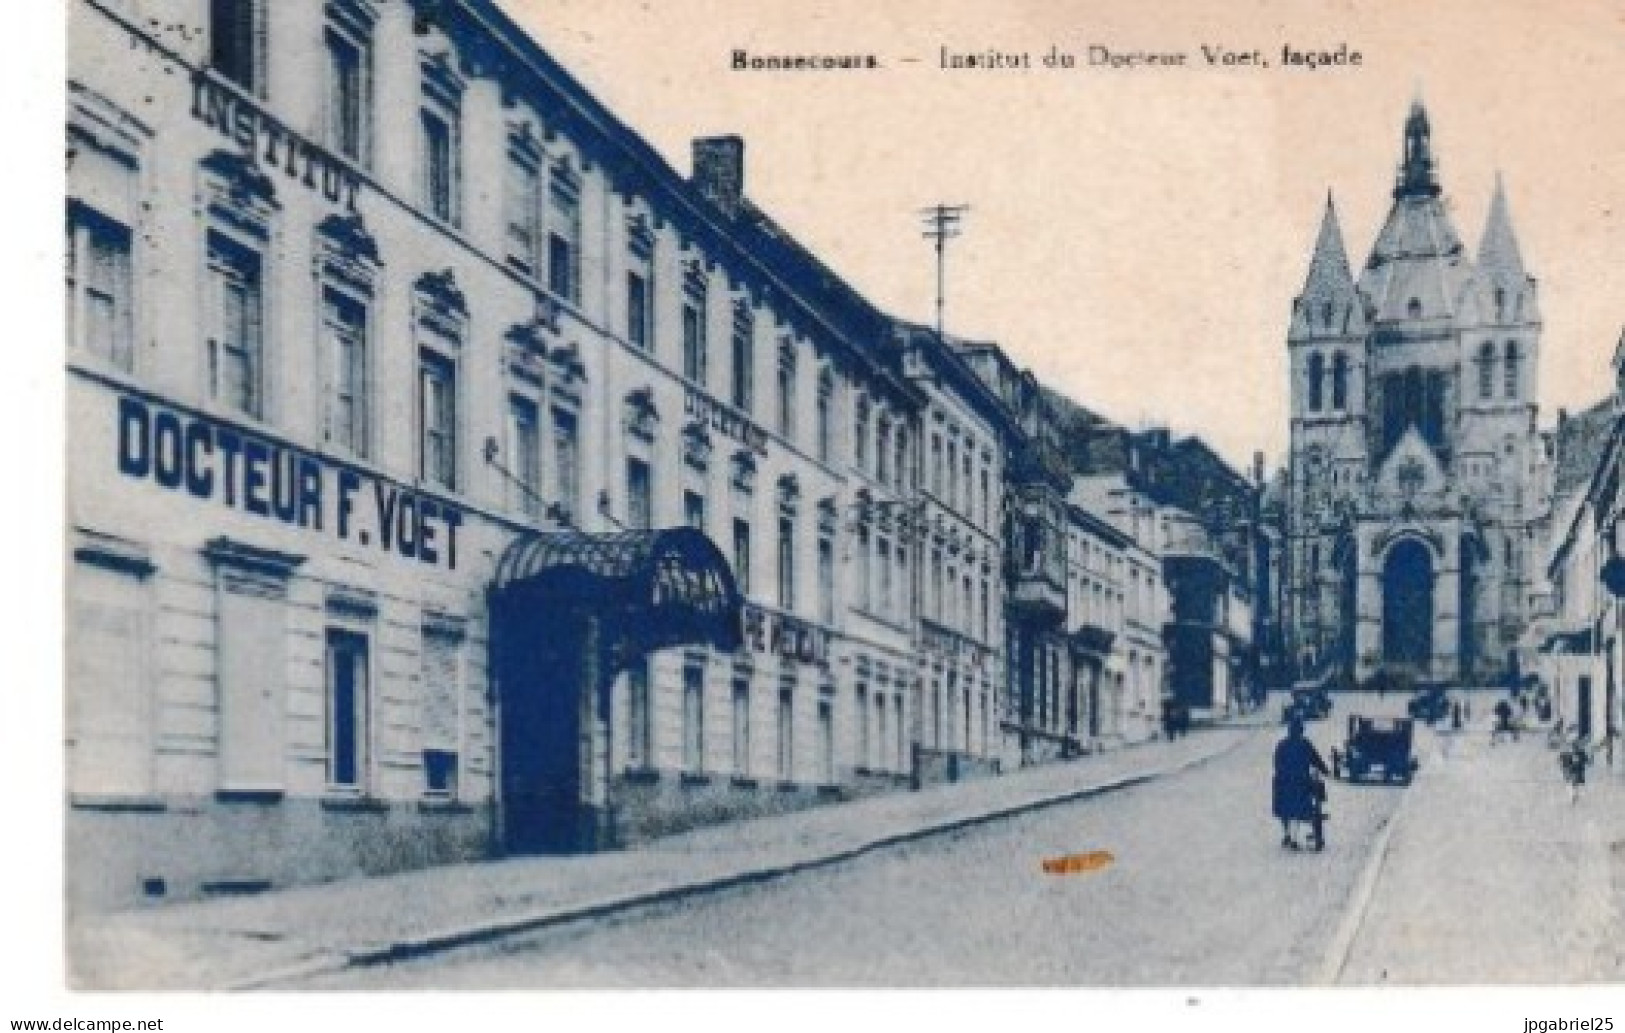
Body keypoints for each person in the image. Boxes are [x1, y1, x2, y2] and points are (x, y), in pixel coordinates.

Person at [1273, 716, 1330, 851]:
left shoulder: (1281, 745)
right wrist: (1326, 771)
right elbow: (1316, 760)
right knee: (1301, 807)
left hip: (1284, 783)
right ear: (1301, 731)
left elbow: (1276, 763)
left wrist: (1283, 774)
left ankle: (1288, 834)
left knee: (1284, 809)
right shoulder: (1305, 744)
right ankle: (1296, 837)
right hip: (1301, 782)